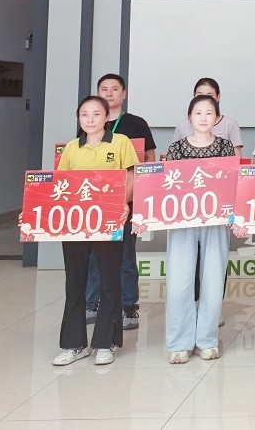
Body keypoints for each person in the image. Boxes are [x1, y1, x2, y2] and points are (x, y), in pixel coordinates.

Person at [49, 95, 137, 366]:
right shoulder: (71, 148)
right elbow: (61, 184)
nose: (90, 119)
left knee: (110, 280)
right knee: (75, 283)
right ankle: (74, 344)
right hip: (76, 225)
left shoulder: (120, 142)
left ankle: (105, 343)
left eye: (96, 114)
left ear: (107, 117)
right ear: (79, 118)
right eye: (84, 114)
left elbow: (130, 176)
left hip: (110, 220)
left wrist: (124, 203)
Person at [163, 94, 236, 364]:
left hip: (215, 222)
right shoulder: (177, 148)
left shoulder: (225, 146)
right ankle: (179, 343)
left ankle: (207, 340)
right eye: (198, 113)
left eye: (209, 113)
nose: (203, 118)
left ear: (217, 118)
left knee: (213, 280)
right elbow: (167, 184)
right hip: (182, 221)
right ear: (189, 117)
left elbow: (231, 182)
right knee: (179, 282)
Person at [82, 73, 156, 332]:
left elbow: (148, 160)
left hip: (127, 201)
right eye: (104, 89)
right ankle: (91, 303)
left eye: (115, 89)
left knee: (125, 255)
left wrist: (134, 195)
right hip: (94, 204)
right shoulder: (89, 126)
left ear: (123, 94)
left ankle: (128, 306)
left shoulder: (136, 124)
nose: (109, 93)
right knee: (93, 255)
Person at [171, 77, 243, 154]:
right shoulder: (181, 127)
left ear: (218, 97)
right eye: (200, 96)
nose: (204, 100)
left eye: (209, 96)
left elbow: (236, 158)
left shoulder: (230, 128)